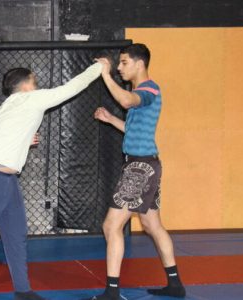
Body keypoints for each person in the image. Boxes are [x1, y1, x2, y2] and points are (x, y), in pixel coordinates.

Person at [0, 61, 104, 300]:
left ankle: (23, 290)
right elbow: (71, 88)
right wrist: (99, 68)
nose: (37, 87)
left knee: (16, 234)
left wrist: (23, 141)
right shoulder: (31, 99)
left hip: (4, 179)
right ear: (26, 84)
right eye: (35, 82)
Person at [90, 43, 186, 299]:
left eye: (124, 63)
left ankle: (112, 291)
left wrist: (105, 73)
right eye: (118, 64)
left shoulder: (148, 89)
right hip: (145, 164)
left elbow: (124, 99)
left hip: (140, 167)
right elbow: (133, 130)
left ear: (139, 64)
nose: (120, 68)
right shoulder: (141, 92)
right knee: (152, 224)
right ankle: (175, 285)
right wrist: (111, 120)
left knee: (111, 225)